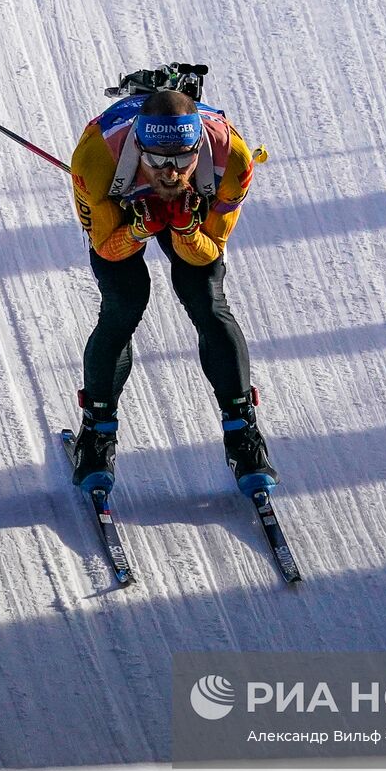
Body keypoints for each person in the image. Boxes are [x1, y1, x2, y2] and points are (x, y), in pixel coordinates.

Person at [66, 87, 277, 497]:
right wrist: (143, 227)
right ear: (139, 148)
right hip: (121, 201)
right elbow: (108, 247)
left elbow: (206, 254)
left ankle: (243, 432)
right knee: (124, 304)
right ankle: (97, 432)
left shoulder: (233, 159)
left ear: (200, 144)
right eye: (157, 160)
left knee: (207, 300)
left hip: (188, 214)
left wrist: (183, 228)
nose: (170, 172)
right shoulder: (95, 159)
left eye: (183, 158)